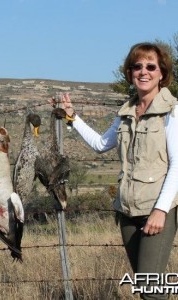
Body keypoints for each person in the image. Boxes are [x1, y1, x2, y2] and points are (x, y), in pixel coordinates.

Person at [61, 42, 178, 299]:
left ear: (162, 73)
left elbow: (177, 165)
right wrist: (73, 118)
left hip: (156, 211)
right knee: (148, 288)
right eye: (137, 66)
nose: (143, 71)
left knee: (151, 291)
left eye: (151, 66)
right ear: (130, 72)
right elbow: (102, 144)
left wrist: (160, 211)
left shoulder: (172, 111)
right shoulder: (126, 113)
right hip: (127, 211)